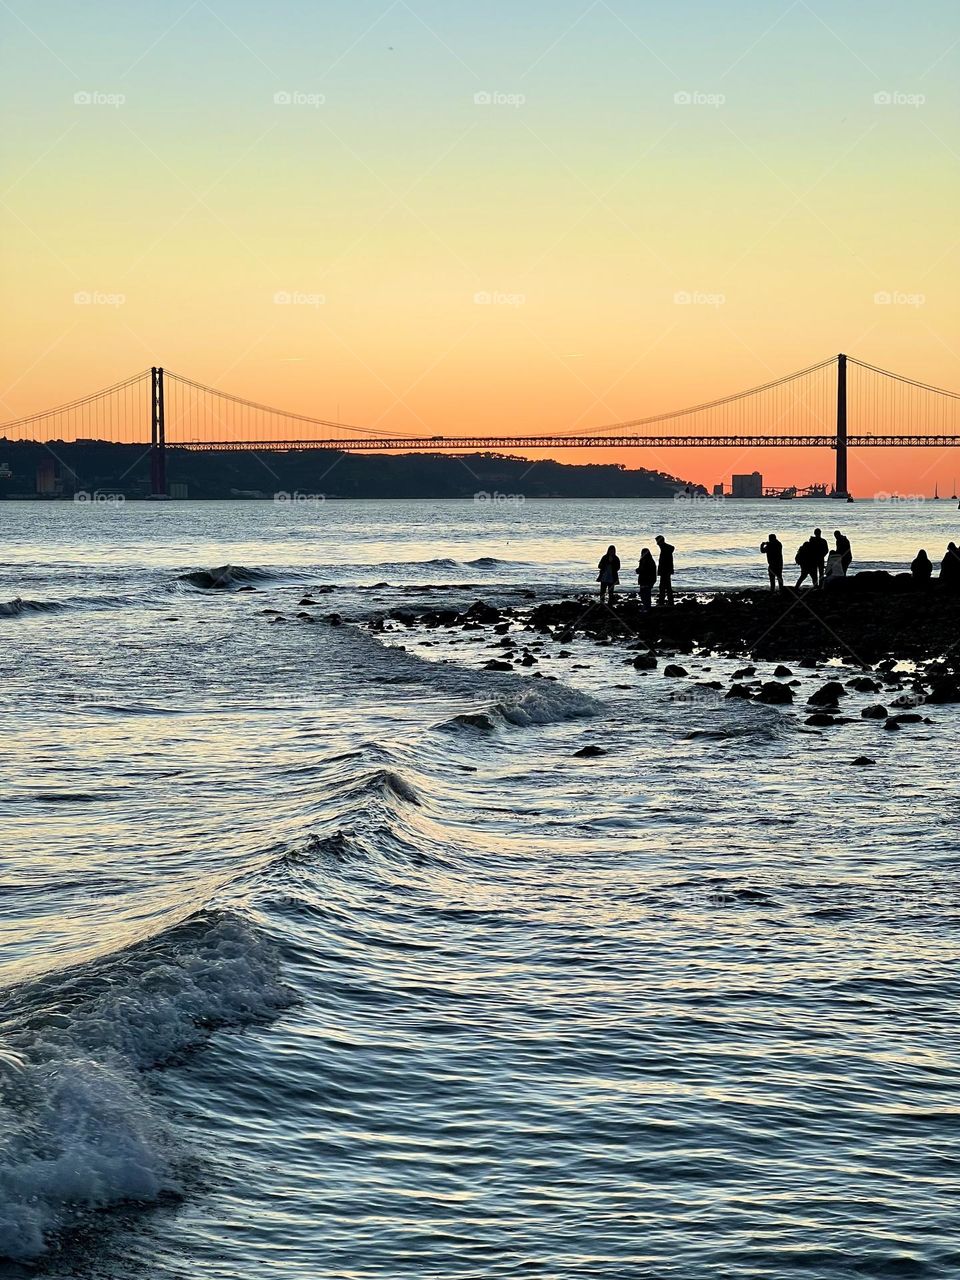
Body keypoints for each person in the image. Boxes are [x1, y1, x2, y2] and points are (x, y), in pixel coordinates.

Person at [655, 534, 675, 605]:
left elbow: (664, 562)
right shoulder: (666, 549)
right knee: (667, 586)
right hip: (666, 571)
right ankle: (669, 601)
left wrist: (661, 571)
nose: (656, 543)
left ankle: (662, 602)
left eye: (657, 541)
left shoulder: (664, 549)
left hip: (665, 571)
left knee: (663, 587)